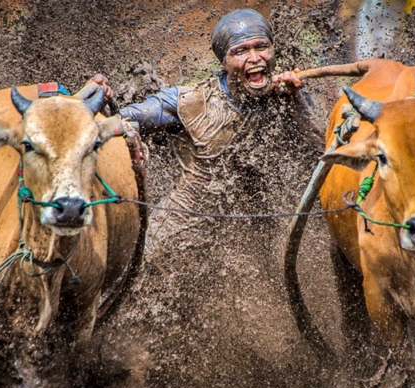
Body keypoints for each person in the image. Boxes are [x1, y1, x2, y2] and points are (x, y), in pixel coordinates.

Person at [115, 8, 322, 256]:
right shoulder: (192, 102)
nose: (254, 58)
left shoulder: (287, 97)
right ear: (224, 62)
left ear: (273, 51)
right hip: (178, 232)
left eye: (261, 47)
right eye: (241, 51)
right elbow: (123, 118)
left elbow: (325, 148)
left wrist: (297, 101)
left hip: (251, 238)